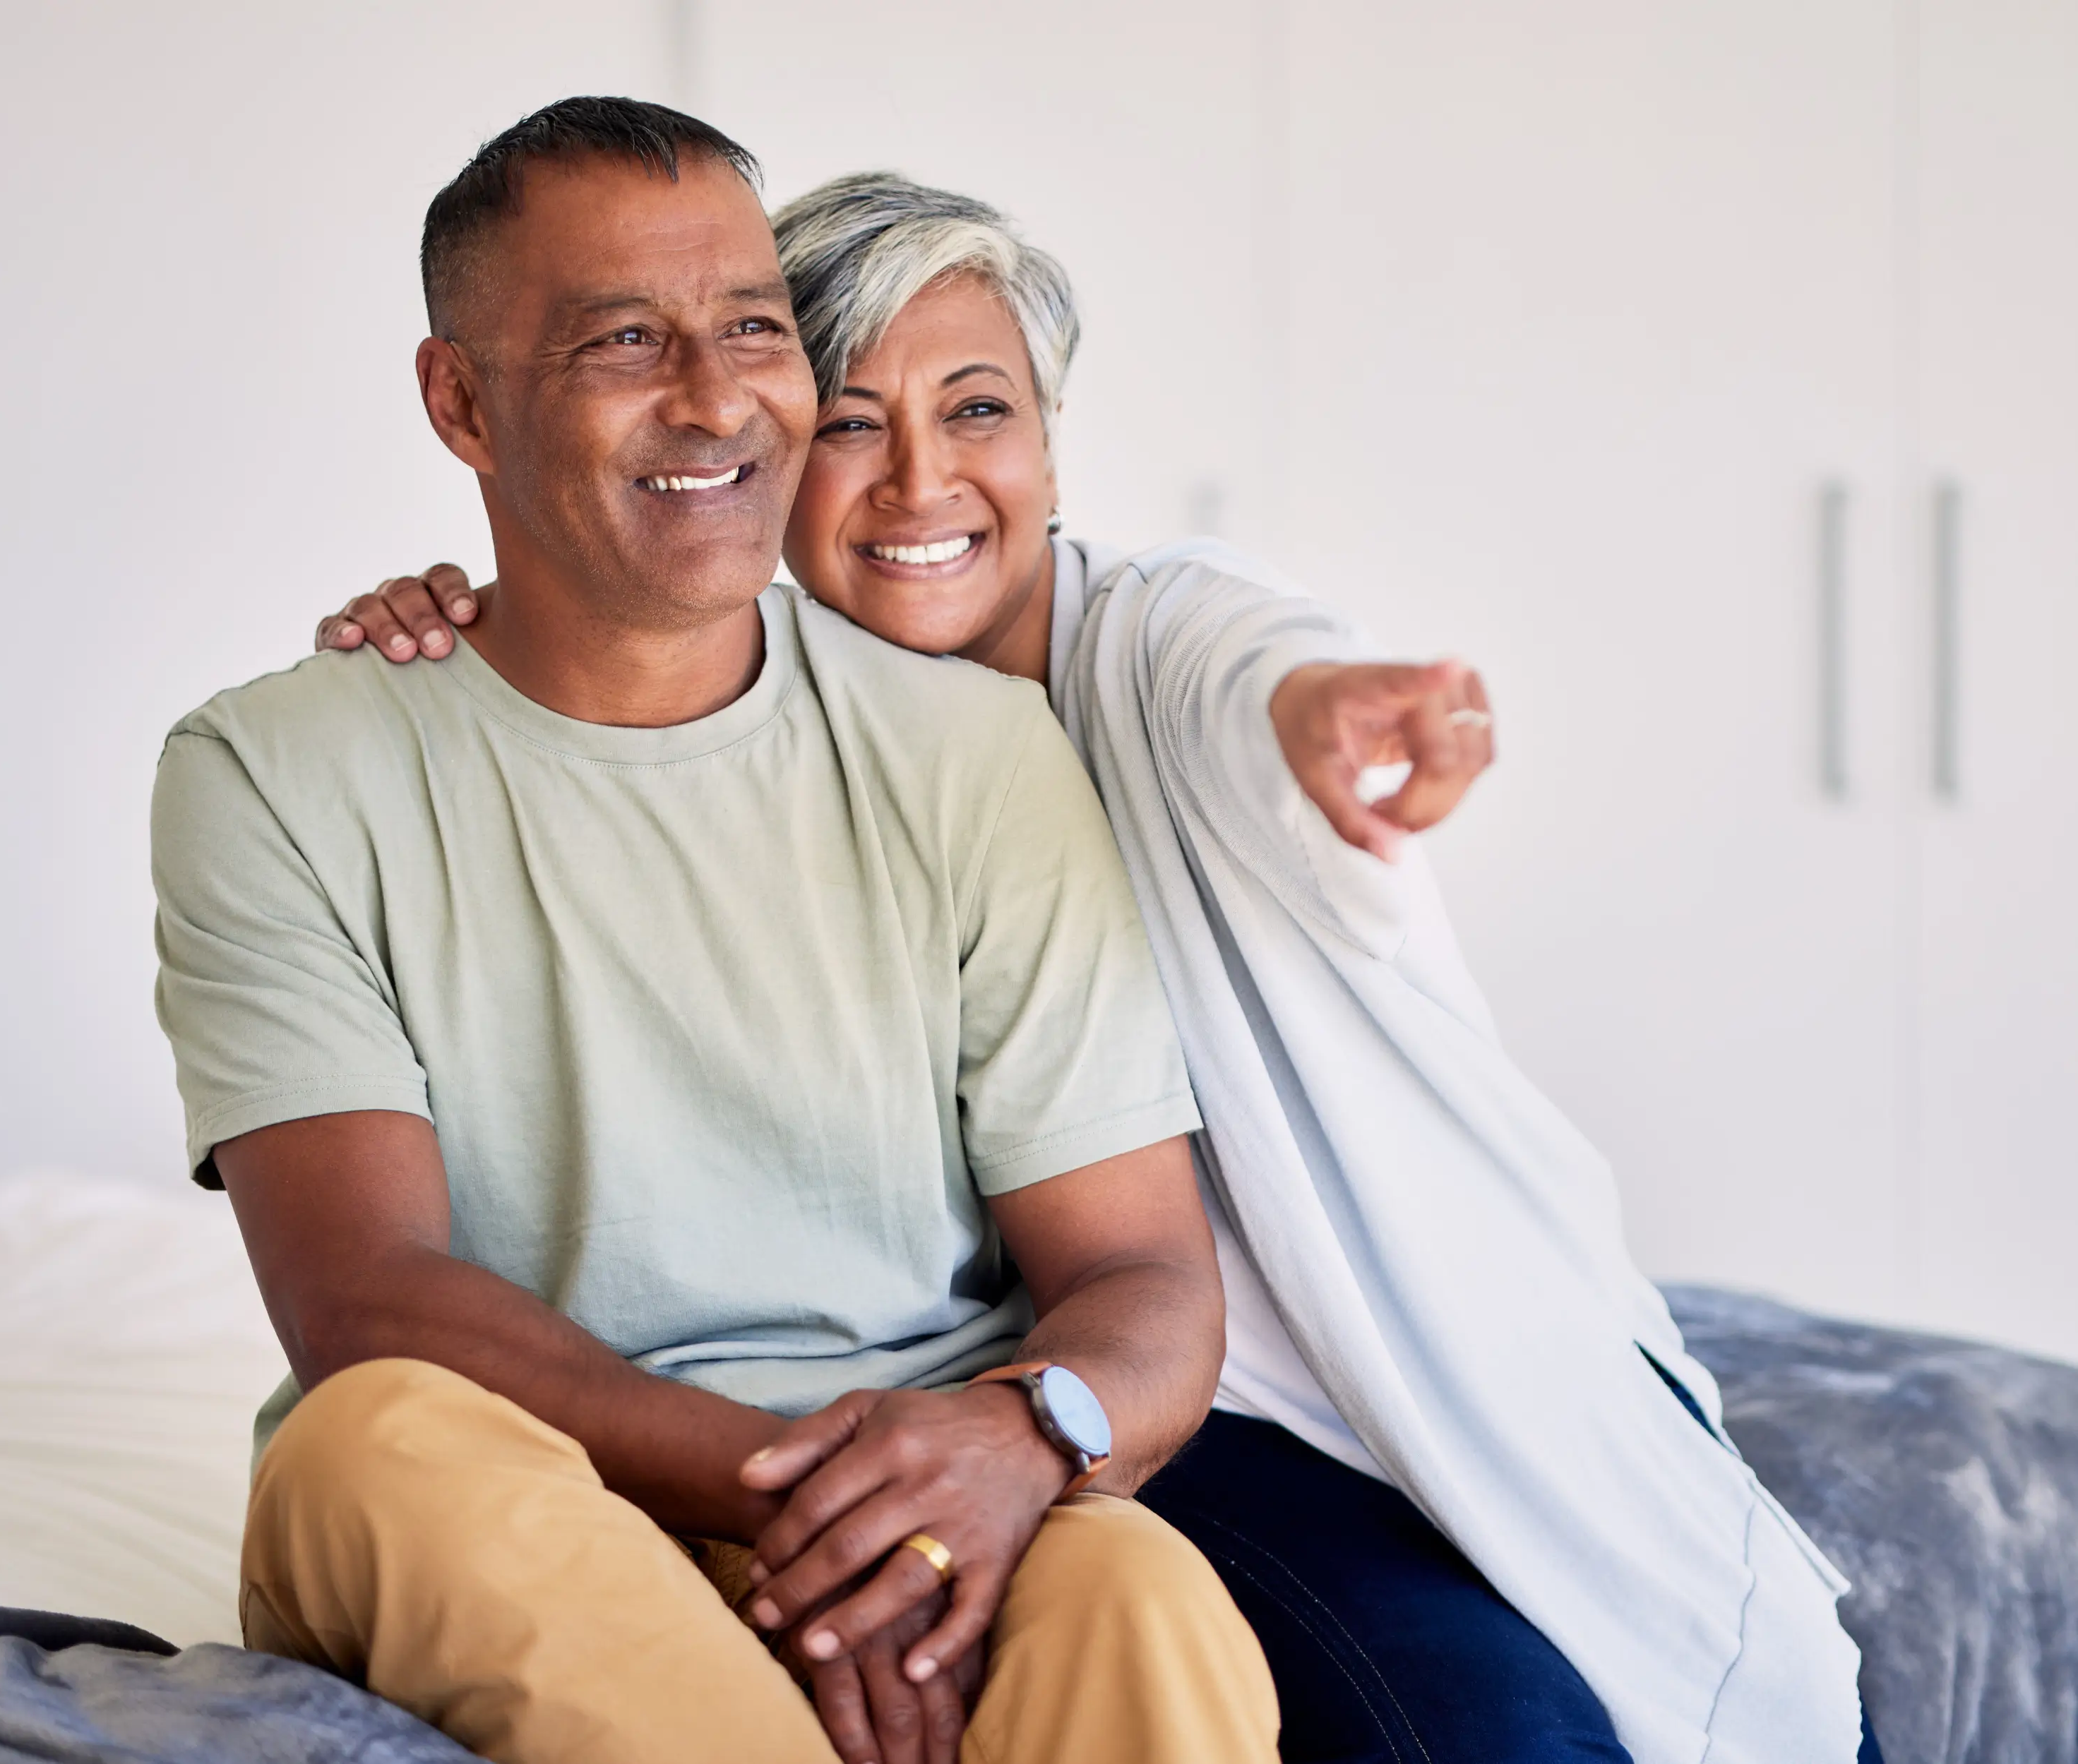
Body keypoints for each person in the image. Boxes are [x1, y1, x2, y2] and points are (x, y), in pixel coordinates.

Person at [326, 172, 1883, 1764]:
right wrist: (466, 632)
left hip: (1443, 1346)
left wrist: (1325, 720)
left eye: (978, 407)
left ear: (1052, 439)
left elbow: (1248, 678)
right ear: (765, 456)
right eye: (853, 424)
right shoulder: (777, 742)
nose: (920, 481)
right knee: (1498, 1731)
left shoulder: (1152, 645)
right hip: (1177, 1408)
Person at [152, 101, 1279, 1764]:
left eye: (752, 326)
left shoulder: (977, 759)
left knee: (1142, 1597)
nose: (712, 392)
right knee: (371, 1437)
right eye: (624, 337)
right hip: (520, 1480)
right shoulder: (269, 770)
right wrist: (817, 1504)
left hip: (919, 1477)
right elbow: (368, 1298)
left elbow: (1139, 1272)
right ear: (461, 401)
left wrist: (1022, 1434)